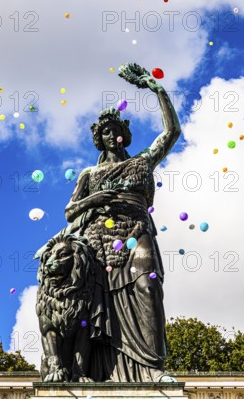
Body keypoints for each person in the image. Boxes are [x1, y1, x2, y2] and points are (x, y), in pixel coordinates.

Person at [64, 63, 181, 382]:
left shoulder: (142, 161)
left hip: (138, 233)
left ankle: (153, 369)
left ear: (123, 134)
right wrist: (96, 199)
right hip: (99, 240)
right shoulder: (90, 174)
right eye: (104, 132)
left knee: (148, 286)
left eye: (115, 130)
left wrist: (157, 90)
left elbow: (172, 133)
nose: (111, 136)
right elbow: (70, 210)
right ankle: (91, 371)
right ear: (99, 139)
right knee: (96, 307)